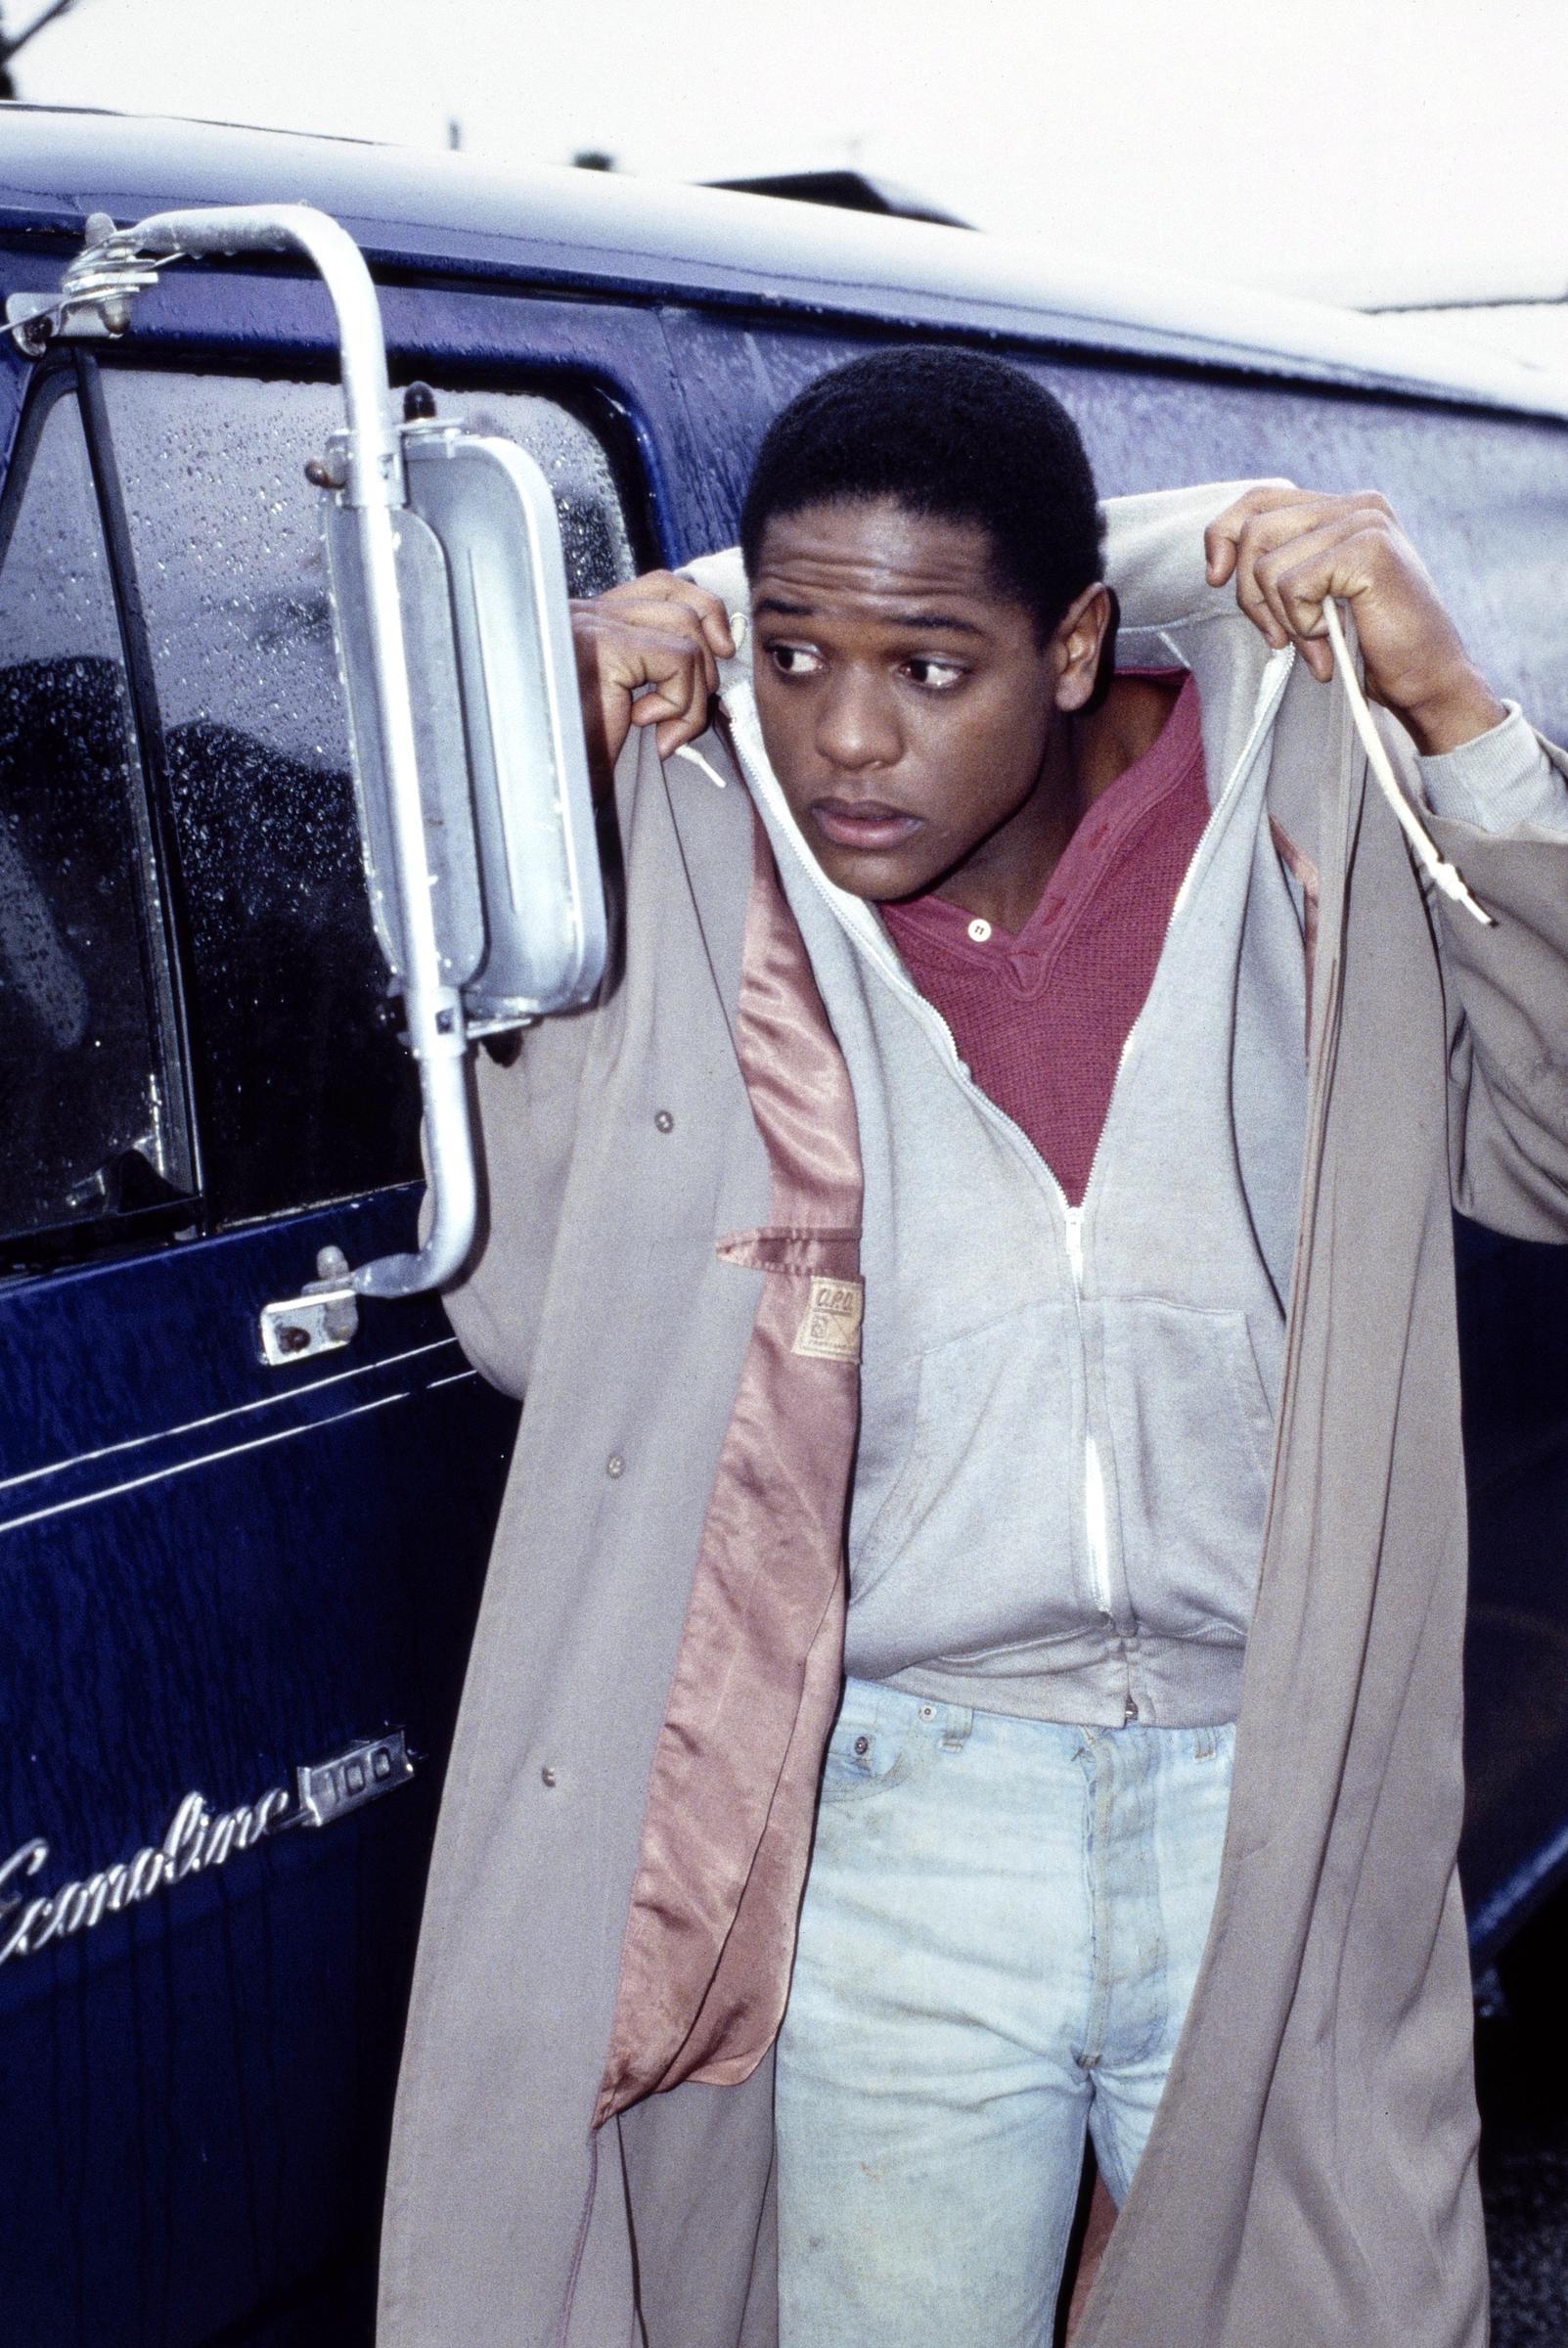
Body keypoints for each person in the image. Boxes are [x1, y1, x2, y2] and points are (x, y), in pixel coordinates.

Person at [377, 348, 1568, 2348]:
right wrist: (556, 839)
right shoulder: (710, 877)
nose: (849, 739)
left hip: (1270, 1791)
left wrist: (1448, 707)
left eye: (931, 670)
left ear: (1079, 642)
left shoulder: (1299, 829)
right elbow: (526, 1324)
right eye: (798, 657)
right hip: (904, 1824)